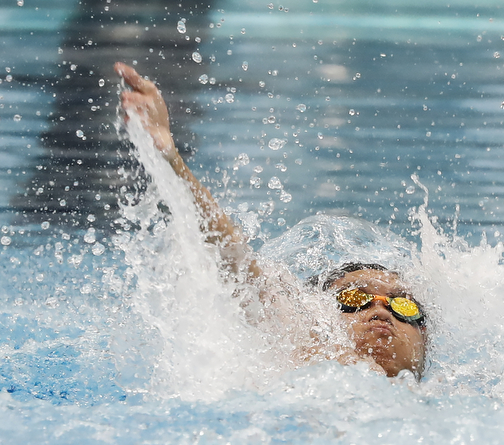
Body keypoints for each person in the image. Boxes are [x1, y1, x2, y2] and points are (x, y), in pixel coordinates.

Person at [114, 62, 428, 378]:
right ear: (316, 317)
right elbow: (234, 261)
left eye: (404, 306)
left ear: (425, 341)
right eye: (354, 297)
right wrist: (172, 160)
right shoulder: (302, 358)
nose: (381, 310)